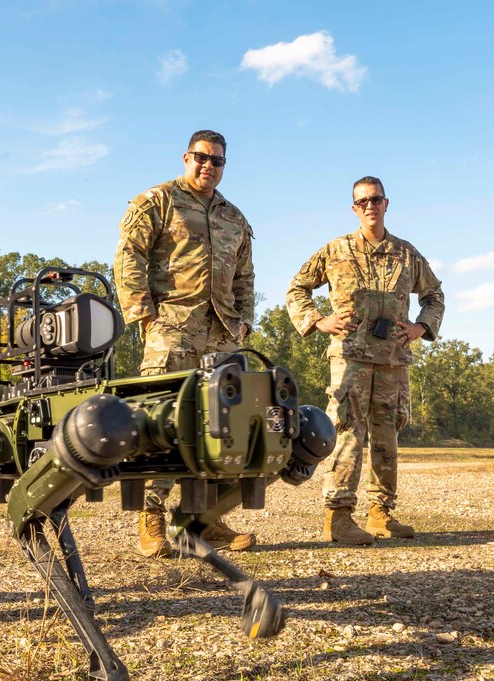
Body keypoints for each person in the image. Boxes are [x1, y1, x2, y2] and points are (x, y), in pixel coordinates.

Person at [112, 130, 258, 558]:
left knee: (220, 429)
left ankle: (203, 521)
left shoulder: (234, 218)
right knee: (161, 423)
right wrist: (143, 314)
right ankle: (151, 519)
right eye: (201, 157)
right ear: (186, 156)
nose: (208, 166)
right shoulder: (157, 201)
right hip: (171, 328)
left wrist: (243, 321)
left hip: (222, 334)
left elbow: (245, 276)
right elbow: (129, 255)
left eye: (217, 161)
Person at [287, 177, 445, 545]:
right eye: (362, 202)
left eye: (375, 199)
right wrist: (318, 320)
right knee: (348, 433)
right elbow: (297, 288)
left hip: (393, 359)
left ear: (386, 203)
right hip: (351, 358)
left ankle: (381, 514)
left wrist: (422, 327)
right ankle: (338, 517)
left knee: (387, 436)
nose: (369, 206)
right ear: (354, 208)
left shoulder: (407, 254)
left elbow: (434, 295)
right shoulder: (336, 249)